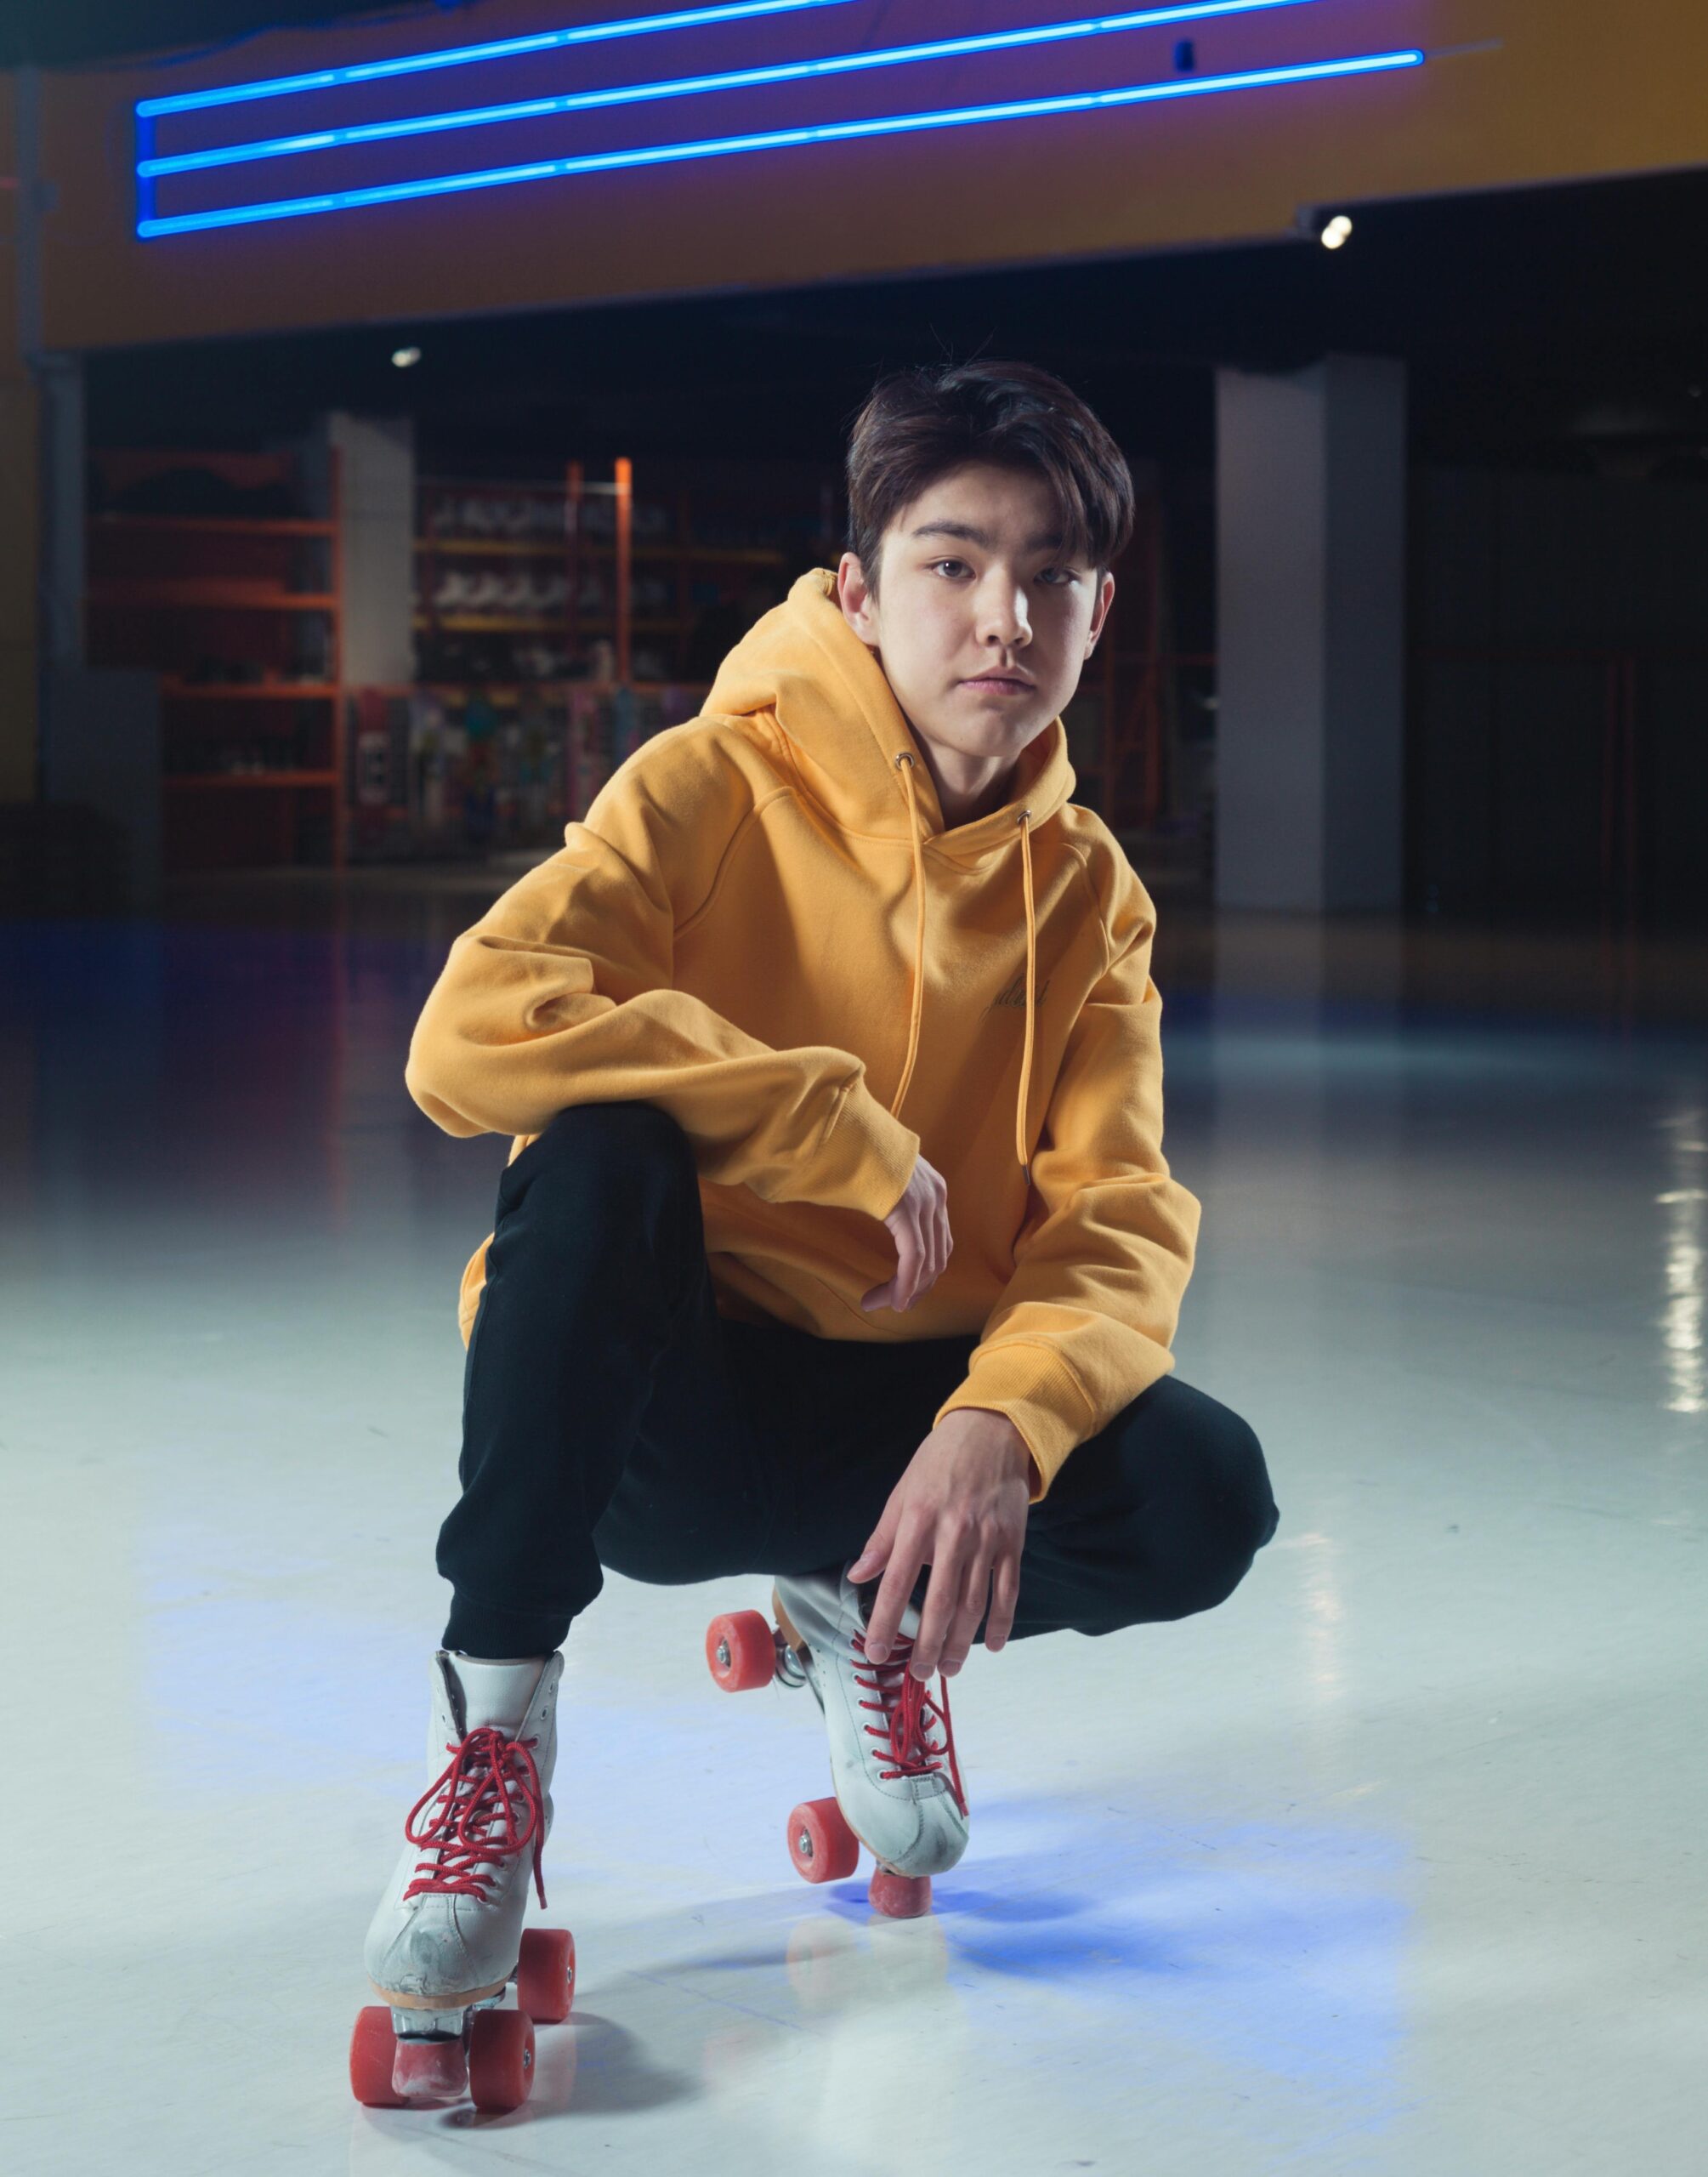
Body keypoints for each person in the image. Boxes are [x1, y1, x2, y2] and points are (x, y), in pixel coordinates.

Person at [363, 360, 1280, 2017]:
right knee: (600, 1145)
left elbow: (1119, 1211)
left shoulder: (1090, 894)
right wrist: (819, 1118)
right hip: (673, 1411)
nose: (1004, 613)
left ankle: (874, 1616)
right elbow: (470, 1028)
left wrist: (1004, 1415)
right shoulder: (707, 789)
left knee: (1206, 1491)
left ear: (1097, 607)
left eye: (1051, 572)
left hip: (905, 1425)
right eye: (952, 561)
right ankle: (490, 1746)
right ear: (859, 593)